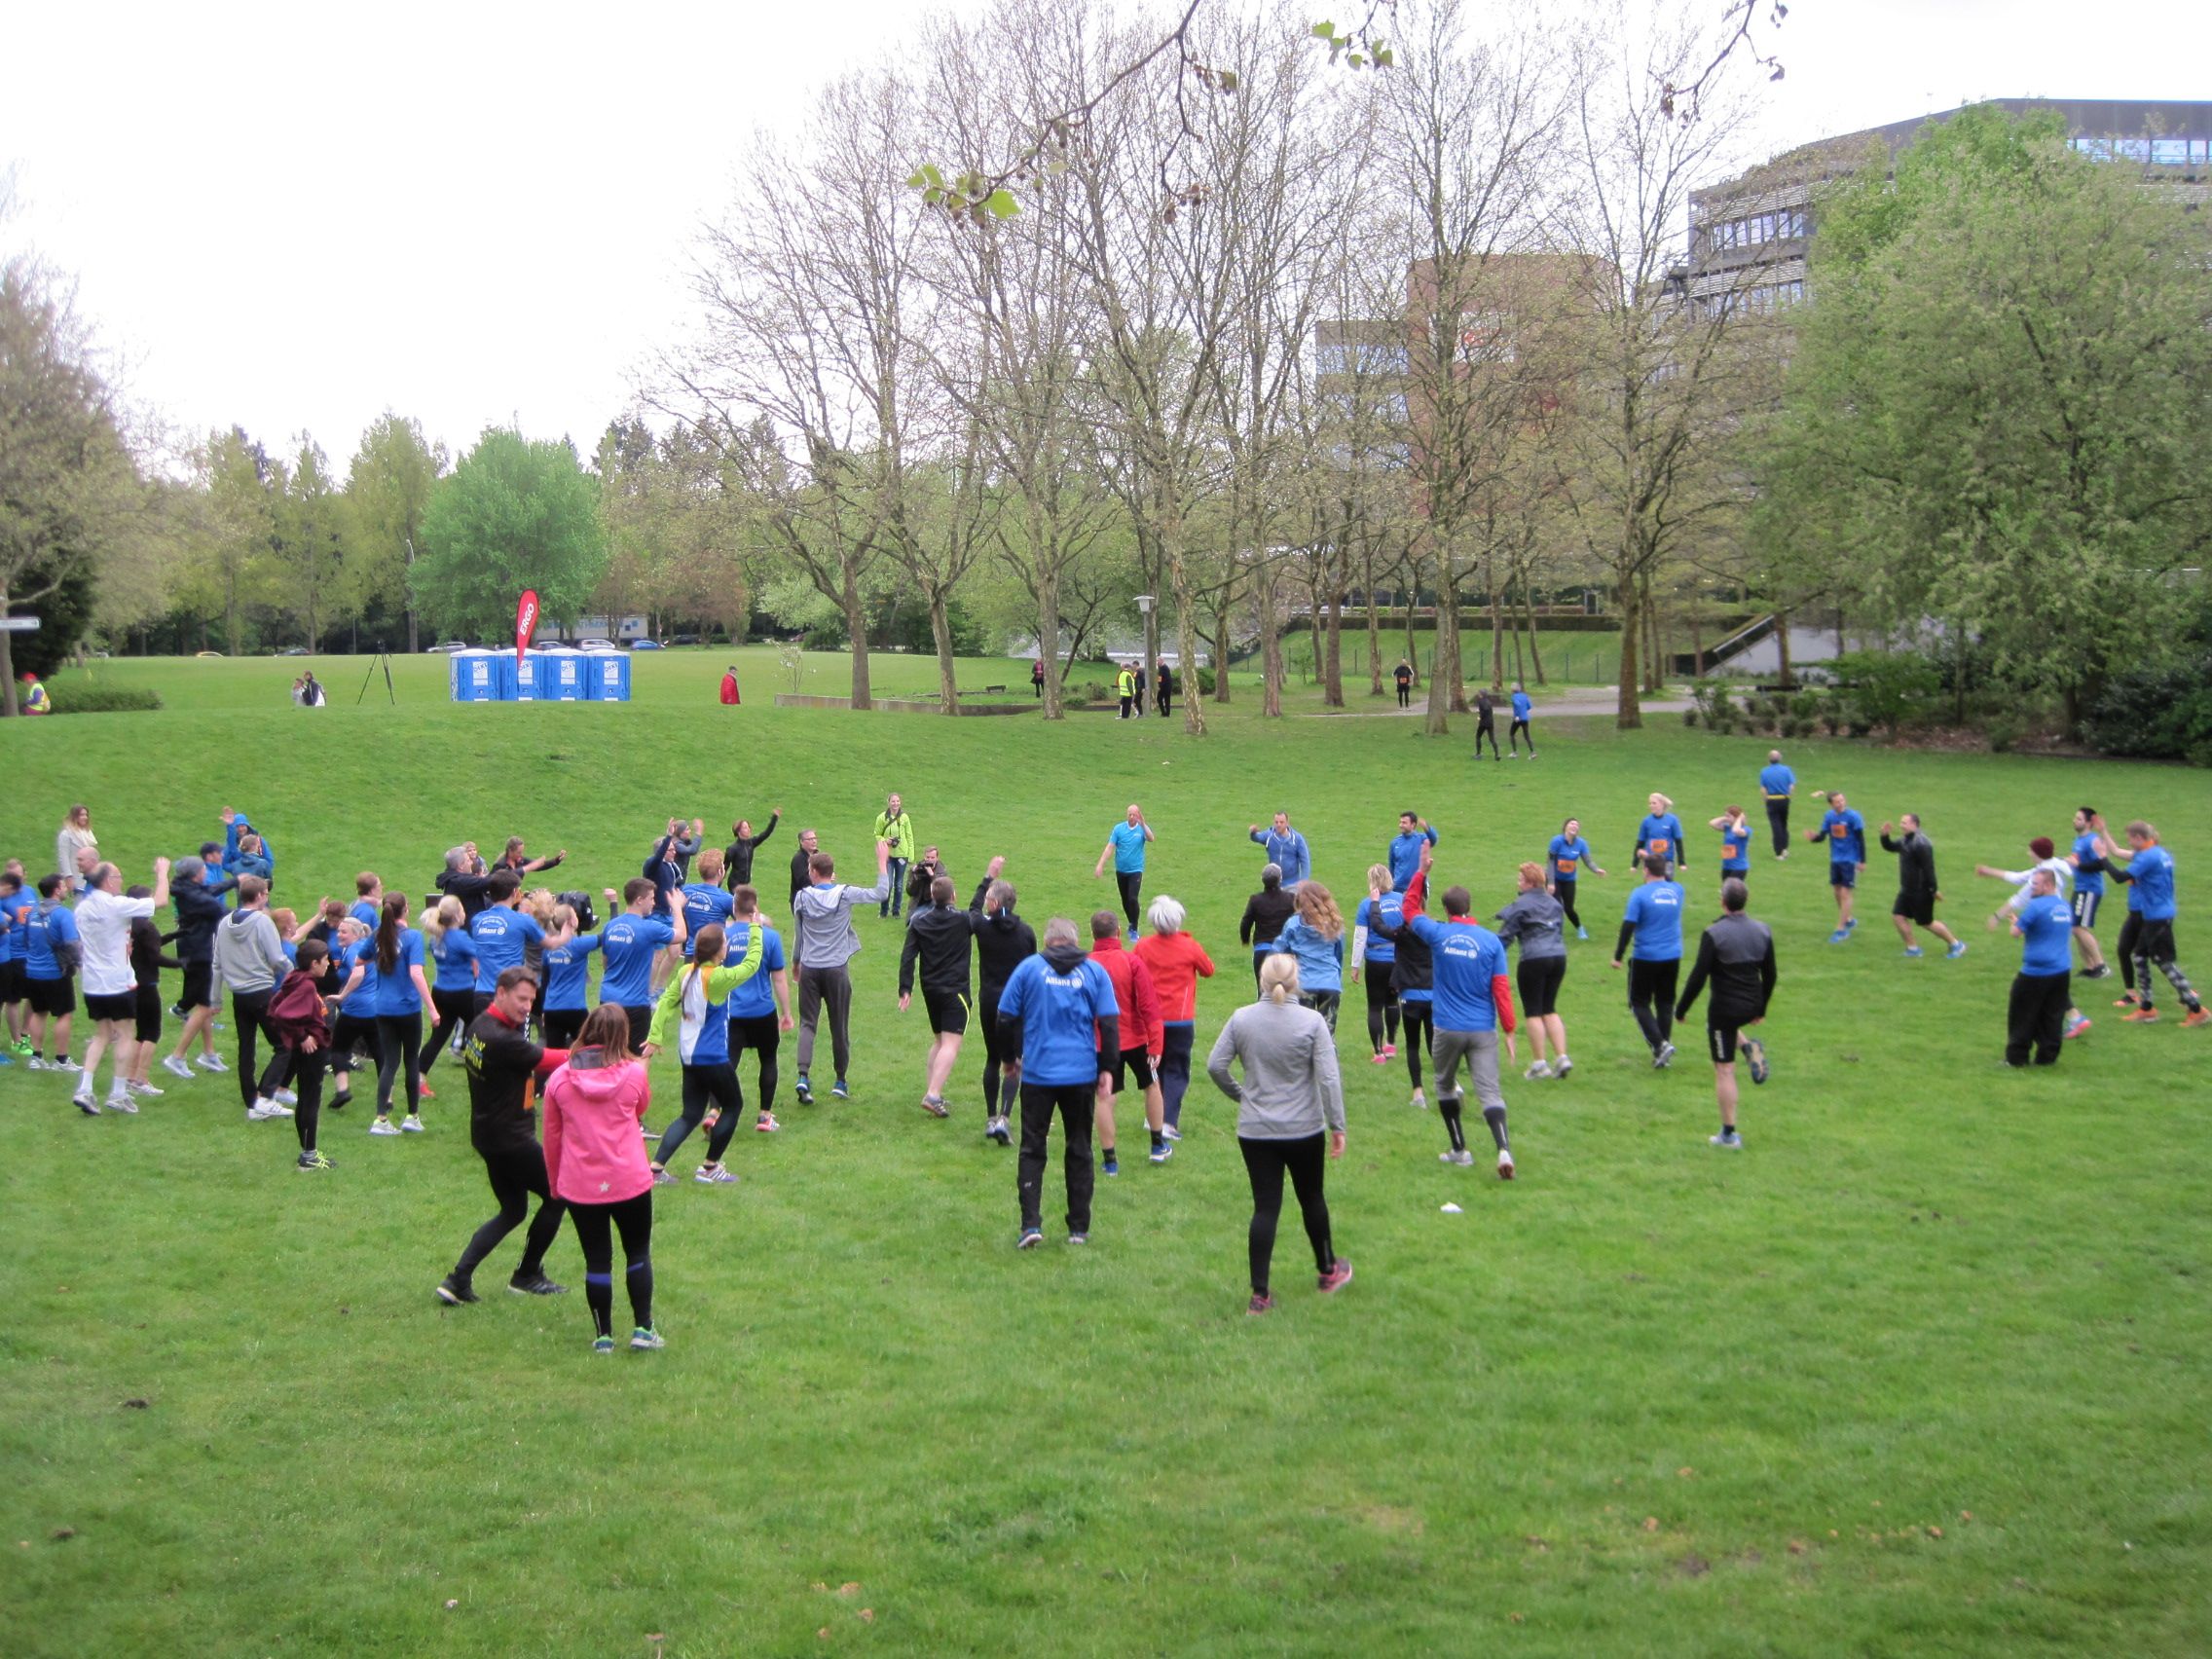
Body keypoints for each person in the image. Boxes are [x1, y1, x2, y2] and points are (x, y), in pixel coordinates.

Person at [1206, 955, 1352, 1314]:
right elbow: (1329, 1078)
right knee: (1312, 1197)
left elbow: (1215, 1065)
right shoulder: (1312, 1021)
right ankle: (1327, 1271)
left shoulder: (1242, 1018)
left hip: (1256, 1130)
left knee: (1265, 1207)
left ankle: (1260, 1295)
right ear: (1296, 981)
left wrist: (1243, 1096)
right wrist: (1338, 1125)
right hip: (1304, 1128)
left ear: (1262, 980)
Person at [436, 967, 572, 1306]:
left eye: (531, 1000)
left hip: (487, 1135)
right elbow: (549, 1059)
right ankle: (527, 1275)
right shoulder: (502, 1039)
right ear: (500, 993)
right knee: (558, 1195)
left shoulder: (480, 1025)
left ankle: (457, 1279)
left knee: (513, 1210)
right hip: (512, 1139)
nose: (527, 1007)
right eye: (521, 999)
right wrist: (597, 1052)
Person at [543, 1004, 662, 1352]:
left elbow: (552, 1137)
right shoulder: (634, 1074)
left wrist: (555, 1182)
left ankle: (603, 1336)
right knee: (637, 1252)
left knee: (596, 1259)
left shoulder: (560, 1079)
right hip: (629, 1180)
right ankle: (643, 1328)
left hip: (581, 1184)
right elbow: (641, 1107)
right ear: (623, 1035)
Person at [997, 916, 1119, 1248]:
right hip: (1081, 1073)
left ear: (1048, 940)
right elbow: (1109, 1023)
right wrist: (1107, 1068)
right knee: (1079, 1148)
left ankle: (1030, 1225)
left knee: (1032, 1148)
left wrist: (1009, 1059)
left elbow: (1005, 1018)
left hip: (1039, 1074)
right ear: (1076, 940)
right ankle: (1078, 1228)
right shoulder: (1094, 972)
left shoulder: (1029, 969)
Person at [1403, 848, 1518, 1176]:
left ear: (1446, 910)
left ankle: (1459, 1149)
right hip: (1482, 1028)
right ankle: (1504, 1151)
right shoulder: (1491, 942)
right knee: (1490, 1091)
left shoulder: (1438, 934)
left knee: (1444, 1085)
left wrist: (1421, 872)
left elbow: (1409, 909)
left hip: (1447, 1027)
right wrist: (1509, 1029)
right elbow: (1501, 989)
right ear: (1470, 907)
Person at [644, 919, 769, 1184]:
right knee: (733, 1106)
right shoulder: (717, 978)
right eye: (725, 943)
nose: (727, 946)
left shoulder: (686, 972)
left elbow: (665, 1003)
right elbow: (751, 965)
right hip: (712, 1056)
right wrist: (756, 929)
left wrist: (655, 1036)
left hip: (689, 1056)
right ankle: (710, 1167)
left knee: (690, 1115)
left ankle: (655, 1169)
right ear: (717, 950)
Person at [1675, 877, 1777, 1147]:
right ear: (1746, 901)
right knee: (1719, 1028)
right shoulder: (1763, 931)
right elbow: (1771, 975)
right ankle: (1749, 1048)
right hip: (1751, 1004)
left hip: (1724, 1009)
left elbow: (1698, 977)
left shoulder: (1714, 934)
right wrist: (1761, 1008)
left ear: (1722, 901)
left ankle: (1729, 1134)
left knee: (1724, 1070)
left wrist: (1681, 1009)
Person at [791, 839, 892, 1103]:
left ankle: (803, 1076)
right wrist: (882, 862)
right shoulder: (845, 894)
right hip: (836, 969)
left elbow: (799, 935)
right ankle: (840, 1081)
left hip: (810, 968)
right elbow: (881, 893)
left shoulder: (801, 897)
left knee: (808, 1024)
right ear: (830, 871)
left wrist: (796, 963)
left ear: (814, 872)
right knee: (839, 1025)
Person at [70, 858, 172, 1114]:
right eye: (117, 877)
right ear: (107, 881)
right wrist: (162, 872)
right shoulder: (116, 905)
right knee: (126, 1034)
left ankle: (85, 1088)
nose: (120, 881)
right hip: (117, 981)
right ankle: (118, 1093)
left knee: (102, 1035)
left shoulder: (82, 908)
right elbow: (160, 901)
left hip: (92, 983)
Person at [2099, 819, 2208, 1027]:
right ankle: (2147, 1008)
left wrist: (2102, 858)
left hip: (2158, 916)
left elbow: (2120, 877)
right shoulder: (2159, 852)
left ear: (2139, 838)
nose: (2129, 843)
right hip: (2154, 914)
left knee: (2164, 962)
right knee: (2139, 956)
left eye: (2130, 839)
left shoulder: (2148, 857)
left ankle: (2196, 1010)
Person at [899, 871, 986, 1118]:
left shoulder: (919, 921)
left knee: (939, 1041)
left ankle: (932, 1091)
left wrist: (905, 988)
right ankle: (933, 1095)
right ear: (953, 896)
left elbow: (907, 957)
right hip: (955, 991)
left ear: (931, 896)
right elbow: (978, 914)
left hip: (930, 990)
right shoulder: (963, 920)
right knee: (951, 1044)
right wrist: (987, 880)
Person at [1088, 910, 1165, 1173]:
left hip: (1101, 1043)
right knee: (1152, 1085)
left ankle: (1110, 1161)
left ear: (1093, 934)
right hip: (1136, 1039)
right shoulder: (1132, 961)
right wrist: (1156, 1044)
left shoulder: (1085, 965)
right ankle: (1157, 1145)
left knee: (1105, 1098)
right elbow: (1149, 1006)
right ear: (1119, 931)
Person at [214, 874, 295, 1122]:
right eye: (266, 894)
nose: (267, 899)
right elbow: (277, 958)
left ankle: (252, 1103)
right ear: (259, 896)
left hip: (239, 996)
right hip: (261, 992)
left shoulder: (224, 922)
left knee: (246, 1048)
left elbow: (216, 964)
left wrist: (215, 999)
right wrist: (296, 976)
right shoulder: (262, 921)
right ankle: (265, 1097)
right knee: (284, 1045)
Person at [1134, 894, 1213, 1142]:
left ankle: (1154, 1116)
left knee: (1155, 1067)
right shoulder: (1189, 946)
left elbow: (1134, 973)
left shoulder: (1143, 946)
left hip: (1152, 1019)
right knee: (1177, 1070)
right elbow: (1208, 970)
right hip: (1180, 1018)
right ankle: (1167, 1121)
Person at [970, 867, 1038, 1146]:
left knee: (993, 1058)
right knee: (1015, 1062)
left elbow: (972, 910)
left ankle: (990, 1118)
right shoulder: (1026, 933)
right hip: (1017, 1006)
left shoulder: (983, 929)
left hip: (989, 1001)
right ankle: (1004, 1118)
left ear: (995, 904)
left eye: (988, 898)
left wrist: (987, 877)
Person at [722, 885, 794, 1135]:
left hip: (732, 1012)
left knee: (726, 1062)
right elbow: (779, 979)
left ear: (734, 908)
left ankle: (716, 1111)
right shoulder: (769, 937)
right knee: (768, 1059)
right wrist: (787, 1013)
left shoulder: (723, 936)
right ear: (755, 908)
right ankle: (764, 1115)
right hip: (763, 1011)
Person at [361, 893, 435, 1135]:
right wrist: (432, 1008)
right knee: (411, 1060)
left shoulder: (377, 936)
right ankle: (412, 1117)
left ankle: (380, 1119)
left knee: (390, 1062)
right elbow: (416, 973)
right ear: (405, 909)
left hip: (382, 1007)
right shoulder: (412, 937)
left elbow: (360, 960)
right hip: (407, 1008)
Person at [1494, 863, 1570, 1080]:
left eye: (1520, 879)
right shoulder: (1555, 903)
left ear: (1530, 883)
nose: (1518, 883)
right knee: (1550, 1008)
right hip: (1558, 957)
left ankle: (1539, 1064)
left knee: (1533, 1011)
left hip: (1533, 959)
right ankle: (1562, 1057)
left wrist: (1488, 956)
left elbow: (1505, 937)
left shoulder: (1521, 904)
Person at [1611, 854, 1686, 1068]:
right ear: (1664, 870)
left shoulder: (1640, 894)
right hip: (1672, 954)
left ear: (1645, 870)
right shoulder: (1678, 891)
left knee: (1638, 1002)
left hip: (1646, 955)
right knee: (1665, 1002)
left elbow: (1628, 926)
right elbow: (1668, 883)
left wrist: (1618, 956)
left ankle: (1660, 1045)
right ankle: (1663, 1052)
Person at [266, 940, 335, 1170]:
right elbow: (282, 1013)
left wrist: (295, 1036)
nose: (328, 964)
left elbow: (274, 1007)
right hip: (312, 1051)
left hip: (303, 1049)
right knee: (310, 1100)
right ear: (314, 963)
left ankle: (308, 1152)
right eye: (325, 960)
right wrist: (302, 1036)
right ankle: (309, 1156)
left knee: (306, 1098)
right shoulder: (305, 986)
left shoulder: (294, 978)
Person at [161, 856, 232, 1080]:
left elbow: (209, 890)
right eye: (203, 870)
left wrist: (236, 881)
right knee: (205, 1006)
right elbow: (220, 909)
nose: (205, 872)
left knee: (204, 1004)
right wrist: (252, 913)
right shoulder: (196, 897)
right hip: (200, 952)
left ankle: (208, 1053)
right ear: (195, 874)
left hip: (192, 950)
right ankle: (177, 1056)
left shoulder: (187, 890)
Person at [598, 878, 685, 1055]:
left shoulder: (610, 926)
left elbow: (605, 963)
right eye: (651, 898)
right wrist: (677, 908)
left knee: (607, 1055)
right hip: (635, 1005)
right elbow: (681, 935)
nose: (654, 903)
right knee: (637, 1058)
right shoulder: (649, 928)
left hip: (607, 1001)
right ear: (639, 900)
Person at [1370, 874, 1435, 1109]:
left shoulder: (1403, 934)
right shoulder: (1436, 930)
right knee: (1434, 1045)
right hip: (1434, 996)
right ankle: (1451, 1084)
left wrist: (1375, 902)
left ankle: (1418, 1094)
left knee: (1413, 1046)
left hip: (1411, 997)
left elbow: (1378, 926)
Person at [2004, 867, 2077, 1066]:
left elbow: (2015, 933)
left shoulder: (2035, 906)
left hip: (2035, 972)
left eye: (2035, 884)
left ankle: (2017, 1058)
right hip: (2061, 970)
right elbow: (2048, 930)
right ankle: (2047, 1057)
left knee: (2022, 1014)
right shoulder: (2064, 906)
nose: (2031, 888)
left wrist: (2015, 924)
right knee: (2052, 1015)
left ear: (2048, 885)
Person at [121, 883, 180, 1098]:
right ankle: (141, 1078)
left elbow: (150, 946)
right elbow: (154, 956)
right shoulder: (147, 927)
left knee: (139, 1033)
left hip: (130, 984)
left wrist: (172, 936)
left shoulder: (127, 925)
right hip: (147, 985)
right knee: (152, 1032)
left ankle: (129, 1076)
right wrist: (181, 963)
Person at [1879, 815, 1967, 959]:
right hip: (1906, 889)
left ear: (1914, 825)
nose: (1901, 825)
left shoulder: (1922, 844)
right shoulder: (1905, 840)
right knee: (1898, 916)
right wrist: (1884, 836)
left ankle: (1956, 944)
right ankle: (1913, 948)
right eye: (1901, 822)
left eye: (1904, 823)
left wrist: (1933, 890)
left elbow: (1929, 869)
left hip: (1921, 891)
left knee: (1927, 923)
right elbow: (1890, 847)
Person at [19, 873, 80, 1075]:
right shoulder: (63, 915)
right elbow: (72, 944)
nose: (66, 888)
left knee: (39, 1012)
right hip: (55, 973)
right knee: (64, 1014)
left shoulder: (32, 913)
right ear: (56, 890)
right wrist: (80, 963)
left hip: (32, 971)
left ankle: (36, 1057)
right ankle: (61, 1060)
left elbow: (27, 940)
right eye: (63, 886)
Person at [418, 898, 481, 1085]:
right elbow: (480, 958)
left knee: (437, 1038)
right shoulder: (460, 938)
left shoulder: (437, 937)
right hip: (463, 992)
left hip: (440, 991)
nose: (465, 913)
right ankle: (483, 1071)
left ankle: (418, 1078)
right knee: (481, 1030)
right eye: (462, 910)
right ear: (457, 916)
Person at [1271, 881, 1346, 1032]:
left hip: (1304, 983)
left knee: (1303, 1032)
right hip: (1330, 983)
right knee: (1327, 1034)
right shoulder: (1333, 923)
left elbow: (1279, 950)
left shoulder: (1293, 924)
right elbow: (1339, 954)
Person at [1348, 863, 1402, 1066]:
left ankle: (1378, 1053)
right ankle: (1391, 1044)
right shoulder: (1401, 900)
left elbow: (1360, 937)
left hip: (1376, 960)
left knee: (1375, 1007)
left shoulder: (1366, 905)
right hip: (1397, 959)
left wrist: (1355, 965)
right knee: (1392, 1001)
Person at [1810, 792, 1867, 941]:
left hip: (1850, 860)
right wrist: (1814, 838)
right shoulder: (1829, 816)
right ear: (1831, 804)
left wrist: (1862, 861)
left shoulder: (1853, 817)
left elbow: (1861, 839)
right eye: (1837, 801)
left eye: (1842, 800)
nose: (1841, 803)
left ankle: (1841, 929)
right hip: (1836, 859)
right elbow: (1823, 836)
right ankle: (1848, 919)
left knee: (1845, 893)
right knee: (1836, 891)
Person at [2065, 806, 2113, 979]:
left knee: (2078, 928)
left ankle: (2101, 966)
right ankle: (2090, 966)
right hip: (2080, 888)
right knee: (2075, 927)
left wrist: (2078, 865)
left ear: (2088, 823)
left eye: (2079, 819)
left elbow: (2101, 865)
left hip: (2090, 889)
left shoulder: (2093, 841)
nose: (2074, 821)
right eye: (2075, 818)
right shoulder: (2079, 840)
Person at [1094, 802, 1154, 937]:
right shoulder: (1119, 829)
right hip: (1121, 870)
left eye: (1134, 815)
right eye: (1129, 814)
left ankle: (1134, 928)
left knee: (1133, 898)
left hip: (1136, 870)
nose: (1131, 817)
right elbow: (1110, 847)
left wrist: (1143, 824)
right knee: (1125, 900)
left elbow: (1151, 838)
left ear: (1139, 815)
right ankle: (1131, 923)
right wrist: (1100, 864)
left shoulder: (1142, 829)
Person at [1545, 818, 1604, 941]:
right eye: (1572, 823)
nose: (1574, 826)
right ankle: (1556, 933)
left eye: (1577, 825)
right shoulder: (1556, 841)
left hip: (1569, 879)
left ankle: (1580, 928)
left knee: (1569, 908)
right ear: (1565, 827)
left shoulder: (1581, 843)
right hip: (1555, 878)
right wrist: (1550, 882)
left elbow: (1588, 861)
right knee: (1556, 906)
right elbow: (1550, 862)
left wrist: (1596, 870)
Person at [1239, 865, 1297, 992]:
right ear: (1280, 879)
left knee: (1263, 992)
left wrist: (1245, 939)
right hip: (1285, 952)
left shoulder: (1256, 900)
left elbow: (1246, 921)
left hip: (1262, 950)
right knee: (1286, 993)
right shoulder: (1290, 899)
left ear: (1262, 880)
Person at [680, 848, 738, 956]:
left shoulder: (686, 891)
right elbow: (743, 922)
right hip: (713, 955)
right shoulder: (726, 899)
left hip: (691, 953)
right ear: (720, 871)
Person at [872, 793, 916, 919]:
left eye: (897, 801)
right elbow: (877, 834)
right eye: (893, 801)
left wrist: (911, 856)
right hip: (888, 855)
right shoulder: (882, 817)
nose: (895, 804)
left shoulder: (904, 817)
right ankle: (883, 911)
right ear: (888, 803)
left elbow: (909, 836)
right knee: (889, 883)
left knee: (899, 884)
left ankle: (896, 911)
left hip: (902, 854)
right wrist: (885, 840)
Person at [1247, 812, 1310, 891]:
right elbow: (1256, 838)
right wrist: (1253, 832)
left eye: (1281, 822)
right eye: (1276, 822)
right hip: (1274, 884)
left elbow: (1305, 860)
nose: (1278, 825)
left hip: (1292, 884)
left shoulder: (1297, 839)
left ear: (1287, 823)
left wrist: (1304, 880)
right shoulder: (1269, 836)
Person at [721, 809, 781, 893]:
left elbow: (766, 833)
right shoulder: (732, 849)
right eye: (745, 828)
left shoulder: (751, 843)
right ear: (738, 831)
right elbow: (725, 867)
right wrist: (717, 885)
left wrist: (774, 818)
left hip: (746, 883)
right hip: (735, 885)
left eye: (748, 827)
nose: (749, 829)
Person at [1633, 793, 1688, 879]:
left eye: (1654, 803)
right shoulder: (1646, 821)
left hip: (1666, 861)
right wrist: (1634, 865)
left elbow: (1678, 842)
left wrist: (1681, 863)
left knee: (1666, 885)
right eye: (1650, 803)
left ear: (1662, 804)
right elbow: (1640, 843)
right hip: (1650, 861)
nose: (1651, 806)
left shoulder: (1672, 820)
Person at [1387, 811, 1437, 894]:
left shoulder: (1421, 839)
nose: (1400, 825)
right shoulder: (1395, 842)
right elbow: (1391, 866)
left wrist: (1427, 828)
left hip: (1417, 886)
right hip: (1398, 888)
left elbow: (1433, 840)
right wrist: (1390, 884)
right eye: (1400, 822)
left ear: (1413, 825)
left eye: (1404, 823)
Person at [1758, 751, 1795, 859]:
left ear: (1768, 759)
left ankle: (1779, 852)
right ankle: (1785, 848)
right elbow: (1791, 785)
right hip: (1784, 799)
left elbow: (1763, 788)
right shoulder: (1786, 770)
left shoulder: (1764, 771)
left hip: (1772, 799)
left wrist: (1765, 799)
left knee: (1775, 826)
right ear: (1780, 758)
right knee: (1783, 824)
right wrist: (1788, 796)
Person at [1709, 805, 1753, 890]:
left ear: (1736, 817)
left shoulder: (1746, 829)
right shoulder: (1727, 828)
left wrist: (1739, 818)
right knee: (1725, 890)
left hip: (1738, 867)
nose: (1727, 818)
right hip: (1727, 866)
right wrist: (1725, 818)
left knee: (1733, 890)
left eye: (1728, 816)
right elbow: (1712, 823)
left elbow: (1736, 831)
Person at [903, 845, 949, 913]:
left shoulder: (941, 871)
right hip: (918, 903)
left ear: (937, 858)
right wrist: (915, 875)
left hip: (934, 903)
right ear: (924, 857)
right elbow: (910, 892)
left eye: (932, 857)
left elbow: (941, 892)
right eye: (927, 857)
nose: (930, 860)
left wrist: (932, 875)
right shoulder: (918, 869)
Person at [55, 803, 95, 882]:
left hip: (87, 876)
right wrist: (68, 876)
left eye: (86, 815)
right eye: (82, 815)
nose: (85, 817)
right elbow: (63, 857)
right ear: (75, 816)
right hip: (73, 875)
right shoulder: (66, 834)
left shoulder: (88, 833)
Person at [1472, 688, 1500, 761]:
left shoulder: (1481, 701)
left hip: (1483, 723)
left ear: (1481, 694)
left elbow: (1485, 710)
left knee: (1478, 737)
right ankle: (1497, 754)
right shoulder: (1489, 701)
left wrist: (1480, 717)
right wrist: (1479, 711)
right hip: (1490, 722)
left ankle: (1478, 754)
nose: (1478, 695)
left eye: (1479, 693)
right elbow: (1487, 710)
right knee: (1492, 739)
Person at [1508, 683, 1535, 756]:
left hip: (1518, 718)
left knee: (1511, 734)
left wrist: (1517, 715)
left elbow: (1518, 705)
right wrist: (1523, 711)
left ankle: (1514, 752)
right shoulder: (1524, 696)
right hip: (1525, 718)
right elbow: (1529, 706)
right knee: (1526, 735)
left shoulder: (1514, 697)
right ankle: (1533, 752)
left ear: (1512, 690)